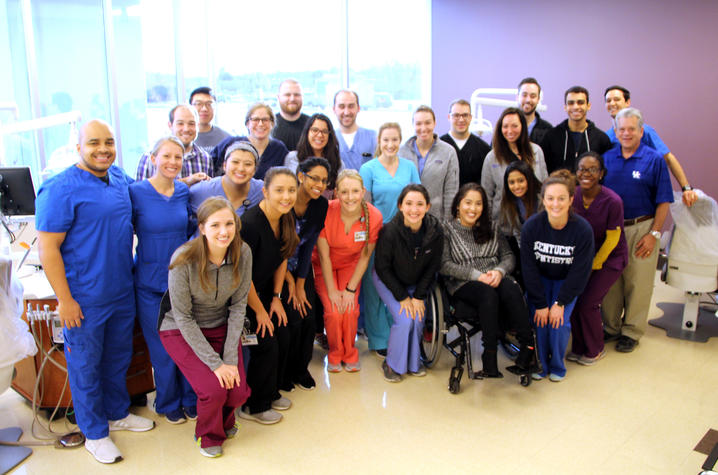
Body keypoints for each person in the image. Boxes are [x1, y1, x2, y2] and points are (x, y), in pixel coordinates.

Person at [36, 119, 154, 464]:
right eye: (94, 143)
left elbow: (147, 196)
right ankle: (94, 432)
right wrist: (65, 300)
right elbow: (48, 250)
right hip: (83, 298)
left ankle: (117, 412)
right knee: (85, 365)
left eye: (109, 142)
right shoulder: (59, 189)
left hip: (120, 290)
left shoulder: (118, 178)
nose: (103, 149)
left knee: (118, 357)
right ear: (78, 148)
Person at [159, 197, 251, 458]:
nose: (224, 232)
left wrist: (230, 359)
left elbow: (238, 306)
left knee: (237, 391)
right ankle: (208, 435)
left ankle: (225, 421)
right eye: (215, 225)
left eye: (229, 224)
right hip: (179, 329)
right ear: (201, 228)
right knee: (213, 389)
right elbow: (184, 317)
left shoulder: (243, 252)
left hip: (221, 323)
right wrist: (216, 364)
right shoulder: (183, 259)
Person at [129, 136, 196, 425]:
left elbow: (193, 230)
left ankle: (191, 399)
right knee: (161, 348)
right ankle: (168, 402)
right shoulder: (136, 192)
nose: (172, 162)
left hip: (181, 282)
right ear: (153, 158)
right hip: (148, 283)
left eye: (178, 157)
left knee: (188, 342)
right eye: (166, 156)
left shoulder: (183, 192)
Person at [441, 183, 536, 378]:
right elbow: (444, 265)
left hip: (494, 276)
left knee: (511, 288)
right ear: (458, 204)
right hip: (463, 282)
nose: (473, 208)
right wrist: (477, 275)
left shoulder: (492, 227)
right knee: (487, 294)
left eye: (478, 204)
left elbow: (509, 256)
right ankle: (489, 355)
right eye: (468, 203)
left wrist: (499, 271)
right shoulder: (447, 229)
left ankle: (528, 348)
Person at [602, 107, 673, 353]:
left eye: (632, 129)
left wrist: (654, 234)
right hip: (612, 229)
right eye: (622, 129)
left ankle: (631, 331)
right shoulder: (607, 158)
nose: (626, 133)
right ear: (616, 131)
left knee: (638, 281)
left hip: (641, 227)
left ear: (641, 131)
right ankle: (610, 327)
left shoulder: (653, 159)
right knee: (610, 281)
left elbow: (663, 200)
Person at [238, 167, 300, 424]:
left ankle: (270, 391)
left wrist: (276, 297)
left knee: (284, 331)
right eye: (279, 190)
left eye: (291, 190)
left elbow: (282, 258)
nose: (286, 196)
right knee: (266, 340)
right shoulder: (250, 224)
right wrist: (260, 311)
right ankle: (254, 406)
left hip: (265, 292)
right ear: (264, 192)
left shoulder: (285, 216)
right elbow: (242, 276)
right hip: (242, 296)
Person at [520, 170, 594, 382]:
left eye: (561, 199)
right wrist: (541, 303)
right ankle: (541, 364)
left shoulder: (582, 230)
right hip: (540, 281)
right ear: (543, 200)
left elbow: (580, 272)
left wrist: (560, 302)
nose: (555, 204)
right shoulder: (532, 226)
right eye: (550, 198)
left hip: (565, 282)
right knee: (540, 320)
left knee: (558, 322)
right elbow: (529, 268)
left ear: (571, 199)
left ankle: (557, 366)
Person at [359, 123, 420, 354]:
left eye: (395, 140)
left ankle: (398, 331)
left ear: (400, 140)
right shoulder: (369, 168)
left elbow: (416, 199)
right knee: (374, 288)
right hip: (376, 234)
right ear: (379, 142)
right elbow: (364, 205)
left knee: (397, 285)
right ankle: (379, 340)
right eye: (386, 140)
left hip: (403, 235)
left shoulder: (409, 167)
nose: (390, 144)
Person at [313, 170, 382, 372]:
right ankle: (335, 353)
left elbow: (365, 256)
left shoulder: (374, 216)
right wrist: (333, 291)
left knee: (350, 309)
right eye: (344, 192)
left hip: (351, 266)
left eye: (355, 191)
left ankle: (350, 352)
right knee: (334, 311)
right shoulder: (325, 211)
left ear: (363, 192)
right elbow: (324, 257)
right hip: (324, 265)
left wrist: (350, 290)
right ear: (336, 193)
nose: (350, 197)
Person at [374, 184, 443, 382]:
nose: (414, 209)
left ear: (428, 207)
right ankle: (391, 364)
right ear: (400, 206)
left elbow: (433, 267)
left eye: (420, 204)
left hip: (417, 281)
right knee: (405, 319)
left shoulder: (436, 231)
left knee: (418, 317)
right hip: (388, 279)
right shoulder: (389, 231)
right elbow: (382, 268)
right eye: (409, 204)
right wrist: (403, 297)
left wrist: (419, 297)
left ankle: (413, 362)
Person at [567, 152, 628, 365]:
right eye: (582, 169)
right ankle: (579, 347)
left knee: (588, 303)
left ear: (601, 173)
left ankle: (595, 348)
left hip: (610, 259)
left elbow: (612, 240)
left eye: (592, 169)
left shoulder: (613, 201)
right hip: (582, 258)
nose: (586, 174)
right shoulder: (572, 196)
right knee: (573, 300)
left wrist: (592, 265)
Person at [281, 158, 330, 391]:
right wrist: (290, 283)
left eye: (324, 180)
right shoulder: (285, 201)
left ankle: (301, 369)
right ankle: (284, 372)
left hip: (301, 267)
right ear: (301, 176)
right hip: (276, 267)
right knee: (292, 317)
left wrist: (300, 283)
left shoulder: (321, 205)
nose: (319, 184)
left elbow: (309, 245)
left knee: (308, 316)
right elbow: (276, 248)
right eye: (314, 178)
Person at [603, 85, 697, 207]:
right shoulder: (607, 136)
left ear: (627, 102)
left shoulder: (644, 132)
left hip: (643, 202)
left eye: (616, 99)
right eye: (608, 101)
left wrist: (686, 188)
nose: (612, 103)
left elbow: (668, 158)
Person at [481, 107, 548, 221]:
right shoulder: (492, 157)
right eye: (505, 126)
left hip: (535, 219)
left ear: (522, 126)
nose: (510, 131)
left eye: (514, 126)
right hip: (505, 223)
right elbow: (486, 195)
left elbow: (545, 186)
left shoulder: (536, 151)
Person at [399, 105, 460, 221]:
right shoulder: (401, 152)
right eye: (418, 123)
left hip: (436, 220)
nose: (423, 128)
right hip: (407, 219)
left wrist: (446, 224)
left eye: (427, 123)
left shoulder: (448, 152)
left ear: (434, 123)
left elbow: (451, 192)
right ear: (413, 125)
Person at [540, 86, 612, 173]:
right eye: (571, 103)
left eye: (580, 102)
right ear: (565, 107)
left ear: (588, 106)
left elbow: (605, 171)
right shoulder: (551, 136)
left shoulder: (601, 138)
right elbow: (544, 170)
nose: (576, 107)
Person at [136, 104, 213, 186]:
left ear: (197, 126)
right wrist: (187, 181)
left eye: (191, 124)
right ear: (170, 125)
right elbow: (141, 193)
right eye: (180, 123)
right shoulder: (150, 157)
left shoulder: (206, 158)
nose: (186, 129)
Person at [498, 160, 543, 288]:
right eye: (512, 182)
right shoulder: (509, 203)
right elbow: (518, 234)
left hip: (547, 252)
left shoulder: (543, 198)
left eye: (521, 181)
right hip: (527, 252)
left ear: (529, 179)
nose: (516, 186)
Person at [190, 141, 264, 219]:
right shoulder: (201, 190)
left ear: (255, 170)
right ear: (224, 165)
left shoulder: (263, 190)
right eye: (235, 162)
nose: (241, 168)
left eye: (248, 164)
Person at [284, 113, 342, 192]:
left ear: (330, 136)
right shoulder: (292, 158)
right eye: (315, 130)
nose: (319, 135)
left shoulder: (337, 163)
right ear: (307, 132)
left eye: (324, 131)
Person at [440, 99, 491, 186]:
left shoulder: (483, 149)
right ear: (449, 117)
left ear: (471, 118)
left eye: (465, 115)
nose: (461, 119)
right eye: (456, 115)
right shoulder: (439, 146)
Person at [243, 103, 290, 180]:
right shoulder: (234, 144)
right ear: (247, 123)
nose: (261, 124)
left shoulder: (279, 149)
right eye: (256, 119)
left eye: (265, 120)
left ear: (272, 123)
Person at [333, 89, 377, 171]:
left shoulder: (373, 138)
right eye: (341, 106)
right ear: (334, 109)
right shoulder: (329, 139)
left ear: (358, 108)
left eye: (351, 106)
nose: (346, 112)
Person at [190, 87, 231, 155]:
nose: (204, 109)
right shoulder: (183, 136)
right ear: (190, 107)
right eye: (198, 104)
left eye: (209, 104)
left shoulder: (226, 138)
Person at [272, 79, 310, 151]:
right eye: (287, 95)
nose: (292, 99)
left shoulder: (312, 124)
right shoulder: (269, 126)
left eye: (297, 95)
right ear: (278, 97)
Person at [517, 77, 552, 145]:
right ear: (517, 97)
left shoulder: (547, 130)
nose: (528, 100)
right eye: (524, 95)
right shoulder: (505, 126)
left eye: (533, 96)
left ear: (538, 99)